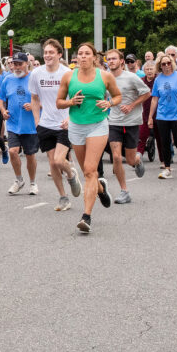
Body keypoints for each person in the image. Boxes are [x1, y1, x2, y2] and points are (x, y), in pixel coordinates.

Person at [56, 43, 120, 233]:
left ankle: (86, 216)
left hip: (98, 125)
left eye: (87, 53)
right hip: (76, 126)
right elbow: (59, 102)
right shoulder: (69, 76)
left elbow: (118, 96)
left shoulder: (105, 76)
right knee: (87, 172)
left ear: (94, 57)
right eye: (80, 54)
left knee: (91, 170)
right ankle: (100, 188)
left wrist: (109, 103)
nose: (83, 56)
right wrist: (70, 102)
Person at [30, 39, 81, 210]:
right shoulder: (36, 73)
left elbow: (77, 99)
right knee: (52, 164)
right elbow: (34, 98)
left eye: (51, 52)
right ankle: (63, 197)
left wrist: (71, 118)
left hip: (64, 124)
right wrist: (37, 121)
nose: (47, 55)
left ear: (59, 54)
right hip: (45, 124)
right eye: (45, 52)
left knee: (59, 160)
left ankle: (71, 173)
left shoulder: (68, 73)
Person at [105, 49, 149, 203]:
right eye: (109, 59)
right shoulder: (105, 78)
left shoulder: (131, 77)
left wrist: (131, 105)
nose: (111, 61)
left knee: (129, 160)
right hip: (114, 121)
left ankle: (137, 160)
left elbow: (147, 93)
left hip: (131, 122)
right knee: (116, 157)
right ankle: (124, 191)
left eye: (114, 59)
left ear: (121, 61)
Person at [1, 51, 40, 195]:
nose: (16, 67)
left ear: (27, 64)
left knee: (30, 155)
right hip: (13, 123)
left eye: (19, 64)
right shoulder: (7, 79)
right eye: (14, 64)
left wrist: (34, 105)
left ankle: (33, 182)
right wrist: (3, 111)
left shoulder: (34, 79)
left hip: (30, 125)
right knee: (12, 151)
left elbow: (45, 100)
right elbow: (1, 98)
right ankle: (19, 180)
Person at [148, 54, 177, 179]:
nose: (166, 65)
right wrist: (150, 116)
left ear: (172, 63)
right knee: (164, 142)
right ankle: (167, 169)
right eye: (163, 64)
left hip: (176, 114)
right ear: (160, 66)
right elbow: (155, 98)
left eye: (168, 63)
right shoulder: (158, 79)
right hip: (162, 114)